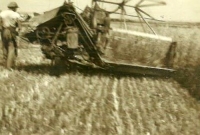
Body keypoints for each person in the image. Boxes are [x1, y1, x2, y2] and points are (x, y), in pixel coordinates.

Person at [0, 2, 21, 69]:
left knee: (5, 48)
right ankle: (9, 66)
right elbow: (19, 26)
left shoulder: (2, 13)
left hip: (3, 31)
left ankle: (4, 64)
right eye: (16, 8)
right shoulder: (16, 14)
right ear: (14, 8)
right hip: (11, 32)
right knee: (11, 48)